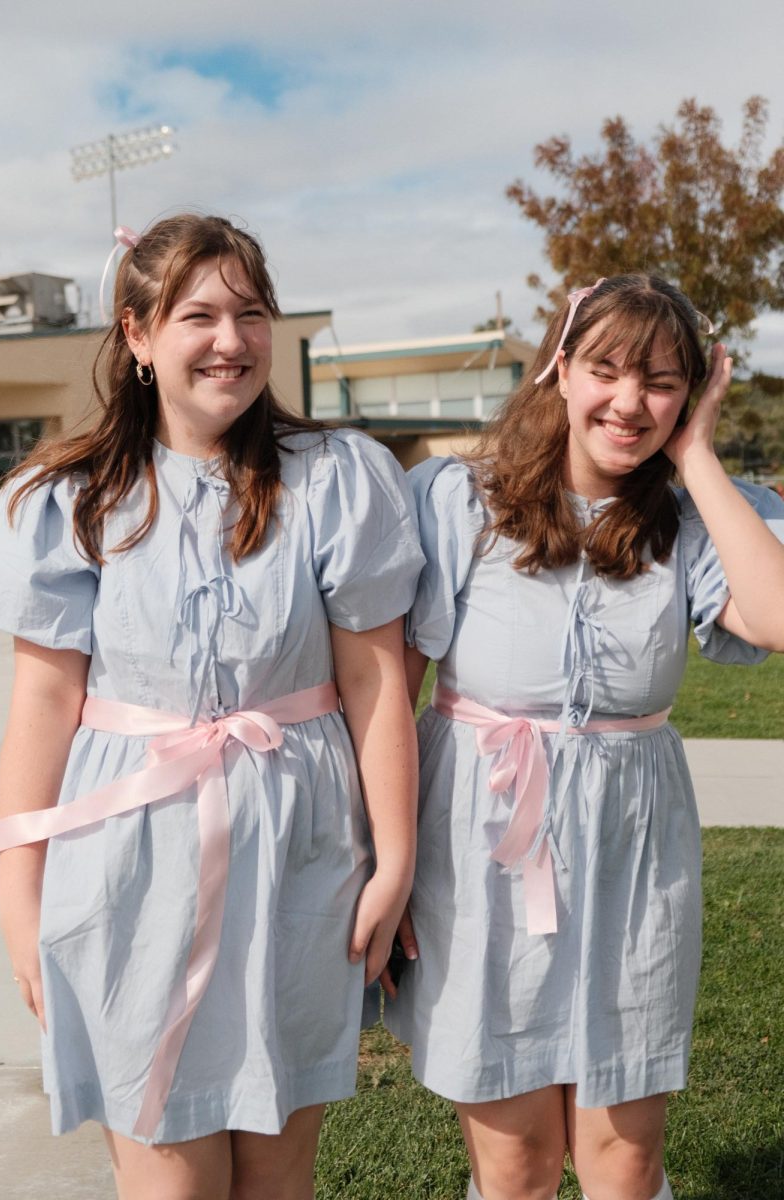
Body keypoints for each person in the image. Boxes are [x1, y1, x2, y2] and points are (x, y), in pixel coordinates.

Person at [0, 213, 424, 1200]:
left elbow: (373, 681)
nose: (231, 339)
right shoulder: (73, 500)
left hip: (298, 856)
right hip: (134, 865)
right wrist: (20, 904)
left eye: (250, 312)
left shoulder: (335, 481)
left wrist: (393, 857)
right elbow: (44, 709)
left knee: (275, 1177)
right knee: (169, 1183)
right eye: (198, 314)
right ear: (137, 335)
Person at [384, 274, 784, 1200]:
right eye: (606, 370)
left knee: (625, 1160)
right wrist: (390, 859)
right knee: (516, 1163)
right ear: (560, 371)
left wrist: (700, 458)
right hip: (481, 849)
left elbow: (772, 615)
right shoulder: (456, 502)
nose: (630, 402)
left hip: (633, 855)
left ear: (691, 394)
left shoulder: (691, 521)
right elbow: (391, 701)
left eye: (662, 381)